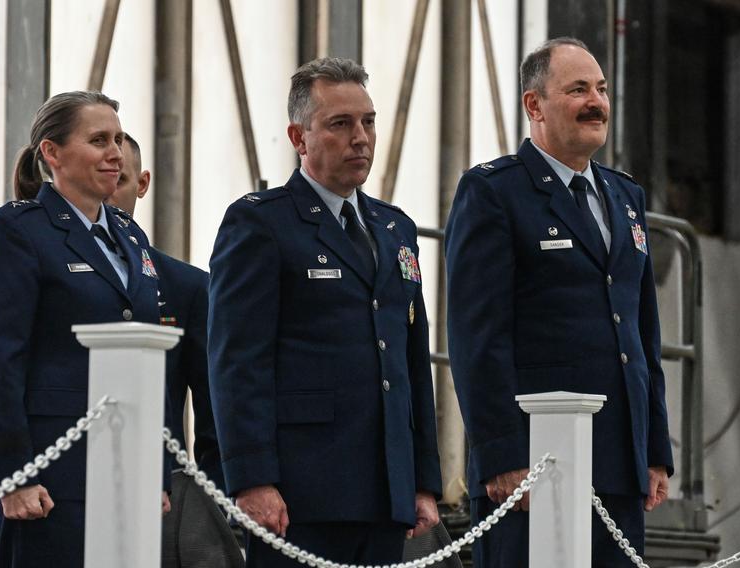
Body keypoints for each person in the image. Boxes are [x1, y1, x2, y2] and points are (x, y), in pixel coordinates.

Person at [444, 37, 673, 567]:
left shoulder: (625, 197)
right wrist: (500, 454)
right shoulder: (495, 192)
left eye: (601, 88)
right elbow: (477, 336)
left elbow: (642, 333)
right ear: (534, 105)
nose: (596, 102)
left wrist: (654, 450)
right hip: (532, 465)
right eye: (577, 90)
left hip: (618, 462)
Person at [207, 57, 442, 567]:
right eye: (341, 124)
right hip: (300, 493)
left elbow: (409, 359)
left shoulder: (393, 227)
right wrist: (251, 479)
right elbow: (236, 361)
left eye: (368, 122)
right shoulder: (261, 224)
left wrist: (422, 479)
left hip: (384, 489)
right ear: (299, 136)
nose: (360, 138)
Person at [0, 91, 166, 567]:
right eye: (98, 139)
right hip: (50, 476)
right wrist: (13, 478)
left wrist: (153, 471)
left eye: (118, 139)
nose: (115, 153)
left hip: (122, 467)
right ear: (52, 154)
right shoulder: (20, 230)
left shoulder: (129, 235)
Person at [106, 133, 223, 487]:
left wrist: (215, 509)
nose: (106, 192)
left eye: (120, 180)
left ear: (142, 184)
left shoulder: (187, 288)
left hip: (161, 485)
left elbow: (212, 418)